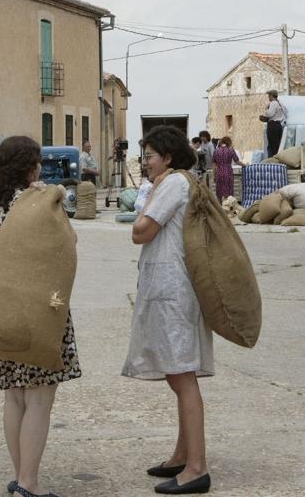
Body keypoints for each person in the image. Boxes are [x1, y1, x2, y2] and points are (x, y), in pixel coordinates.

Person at [0, 136, 81, 497]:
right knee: (39, 398)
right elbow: (68, 242)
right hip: (39, 310)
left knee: (15, 396)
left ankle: (20, 476)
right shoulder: (35, 200)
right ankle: (29, 483)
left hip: (2, 308)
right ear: (29, 166)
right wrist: (49, 196)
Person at [124, 125, 213, 495]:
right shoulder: (174, 183)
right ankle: (182, 455)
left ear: (169, 157)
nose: (145, 163)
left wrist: (143, 208)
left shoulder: (173, 184)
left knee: (182, 377)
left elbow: (141, 231)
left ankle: (197, 468)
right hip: (169, 290)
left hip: (173, 293)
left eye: (149, 157)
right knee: (178, 377)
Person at [211, 137, 243, 201]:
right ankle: (228, 207)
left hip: (219, 172)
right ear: (228, 142)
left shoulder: (216, 150)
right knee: (229, 192)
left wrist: (214, 175)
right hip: (228, 172)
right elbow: (237, 161)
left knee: (219, 192)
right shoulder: (230, 150)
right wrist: (245, 165)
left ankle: (220, 208)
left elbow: (214, 164)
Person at [260, 90, 287, 158]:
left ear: (272, 96)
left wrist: (266, 109)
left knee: (272, 146)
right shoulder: (280, 103)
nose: (268, 97)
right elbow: (286, 112)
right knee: (277, 145)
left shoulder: (273, 103)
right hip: (278, 125)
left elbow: (270, 114)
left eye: (269, 95)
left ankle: (272, 161)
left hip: (273, 126)